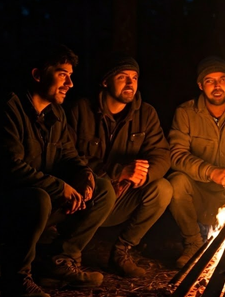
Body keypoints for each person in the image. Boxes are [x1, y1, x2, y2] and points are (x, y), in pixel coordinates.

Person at [0, 42, 116, 297]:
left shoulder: (55, 114)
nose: (70, 83)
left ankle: (58, 262)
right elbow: (9, 168)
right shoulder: (8, 109)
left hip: (41, 201)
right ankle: (16, 281)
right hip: (1, 207)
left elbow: (69, 156)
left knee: (104, 190)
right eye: (63, 74)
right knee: (38, 199)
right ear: (38, 75)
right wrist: (59, 186)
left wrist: (84, 174)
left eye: (71, 76)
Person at [67, 54, 172, 278]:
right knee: (98, 187)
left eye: (134, 77)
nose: (130, 83)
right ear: (105, 81)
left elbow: (162, 153)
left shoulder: (146, 113)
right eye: (122, 77)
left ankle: (122, 251)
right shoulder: (81, 110)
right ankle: (67, 256)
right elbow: (69, 156)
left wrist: (143, 175)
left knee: (162, 188)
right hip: (86, 199)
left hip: (121, 197)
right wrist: (117, 172)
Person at [167, 56, 225, 269]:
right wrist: (212, 172)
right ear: (200, 85)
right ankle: (193, 243)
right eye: (210, 81)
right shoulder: (185, 113)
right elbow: (176, 155)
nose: (217, 86)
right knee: (175, 182)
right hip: (200, 191)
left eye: (222, 79)